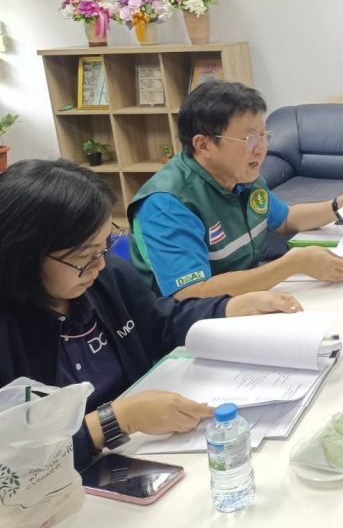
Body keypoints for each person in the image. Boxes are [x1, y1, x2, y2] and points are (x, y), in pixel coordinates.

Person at [0, 159, 302, 471]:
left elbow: (161, 322)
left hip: (143, 452)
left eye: (104, 247)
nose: (100, 264)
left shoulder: (104, 278)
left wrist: (232, 307)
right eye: (85, 257)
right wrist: (117, 420)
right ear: (25, 255)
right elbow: (13, 459)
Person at [128, 81, 343, 299]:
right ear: (203, 145)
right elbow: (192, 293)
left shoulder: (241, 177)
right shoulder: (166, 204)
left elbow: (285, 218)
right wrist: (293, 263)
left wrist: (340, 204)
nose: (261, 149)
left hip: (241, 301)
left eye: (264, 136)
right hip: (186, 322)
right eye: (250, 139)